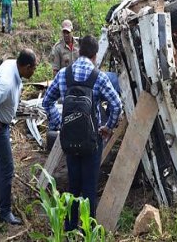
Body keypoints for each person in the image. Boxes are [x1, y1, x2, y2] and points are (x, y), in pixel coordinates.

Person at [42, 35, 122, 231]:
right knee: (89, 188)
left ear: (78, 52)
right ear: (95, 56)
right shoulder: (99, 77)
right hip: (92, 141)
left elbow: (47, 102)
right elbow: (116, 104)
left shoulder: (63, 74)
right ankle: (88, 231)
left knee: (73, 186)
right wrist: (108, 128)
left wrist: (61, 123)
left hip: (69, 141)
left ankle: (69, 229)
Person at [0, 49, 37, 225]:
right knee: (8, 169)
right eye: (34, 68)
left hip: (1, 122)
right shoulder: (7, 83)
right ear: (26, 67)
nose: (34, 72)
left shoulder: (13, 65)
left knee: (1, 161)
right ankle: (5, 212)